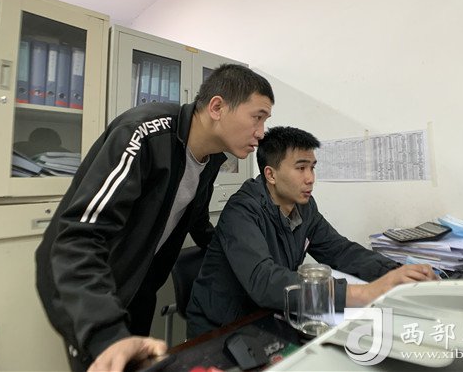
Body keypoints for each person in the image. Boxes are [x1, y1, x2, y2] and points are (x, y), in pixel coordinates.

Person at [35, 64, 274, 372]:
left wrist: (231, 253)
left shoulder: (212, 157)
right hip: (85, 285)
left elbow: (196, 218)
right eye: (257, 117)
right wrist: (106, 334)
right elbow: (77, 238)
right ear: (217, 107)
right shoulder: (145, 132)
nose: (261, 132)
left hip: (138, 282)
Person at [186, 126, 437, 337]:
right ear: (270, 174)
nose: (310, 178)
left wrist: (396, 274)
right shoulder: (241, 211)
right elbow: (265, 282)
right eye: (301, 168)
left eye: (312, 168)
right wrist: (366, 293)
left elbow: (341, 251)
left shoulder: (305, 208)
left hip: (268, 317)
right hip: (221, 329)